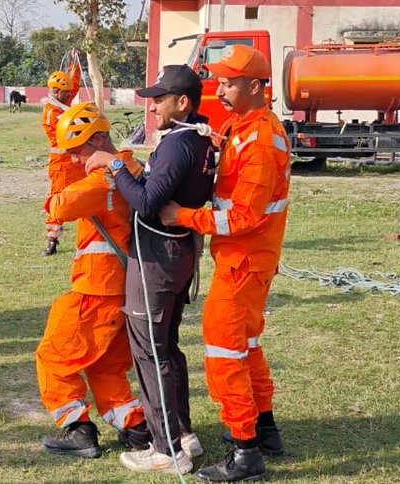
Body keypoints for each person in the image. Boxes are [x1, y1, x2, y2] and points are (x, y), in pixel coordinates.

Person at [160, 45, 292, 483]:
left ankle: (245, 452)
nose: (220, 88)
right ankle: (264, 429)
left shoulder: (260, 141)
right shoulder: (243, 126)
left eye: (230, 82)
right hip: (247, 261)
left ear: (255, 86)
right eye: (219, 80)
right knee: (248, 347)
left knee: (224, 353)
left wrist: (181, 216)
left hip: (244, 261)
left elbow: (241, 217)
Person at [85, 64, 216, 474]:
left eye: (159, 99)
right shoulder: (198, 137)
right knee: (168, 349)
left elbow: (146, 203)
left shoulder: (179, 144)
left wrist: (115, 165)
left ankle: (166, 449)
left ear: (182, 102)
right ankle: (182, 433)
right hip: (177, 255)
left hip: (159, 257)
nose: (152, 107)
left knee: (150, 352)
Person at [35, 102, 151, 460]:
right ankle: (135, 426)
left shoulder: (106, 178)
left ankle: (77, 429)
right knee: (106, 365)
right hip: (124, 288)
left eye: (78, 150)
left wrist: (70, 177)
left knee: (54, 355)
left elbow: (59, 206)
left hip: (97, 288)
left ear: (100, 139)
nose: (73, 159)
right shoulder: (133, 168)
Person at [39, 71, 84, 257]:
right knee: (58, 200)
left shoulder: (62, 103)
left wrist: (75, 64)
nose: (70, 95)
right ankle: (52, 240)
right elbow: (69, 130)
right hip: (62, 165)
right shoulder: (53, 113)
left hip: (76, 162)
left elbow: (73, 85)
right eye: (67, 93)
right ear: (57, 91)